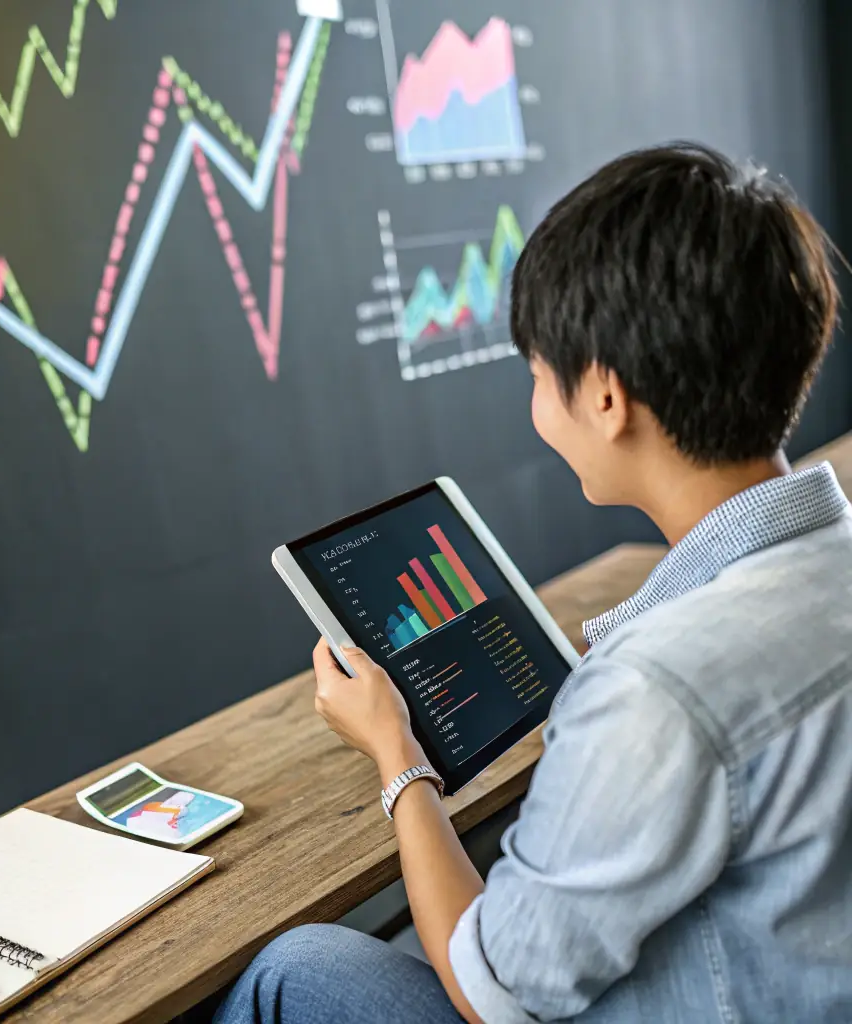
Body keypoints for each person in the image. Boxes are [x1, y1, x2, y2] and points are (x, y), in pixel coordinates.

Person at [215, 143, 852, 1023]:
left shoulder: (657, 689)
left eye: (540, 377)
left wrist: (398, 757)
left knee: (294, 971)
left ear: (606, 398)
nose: (535, 407)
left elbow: (492, 997)